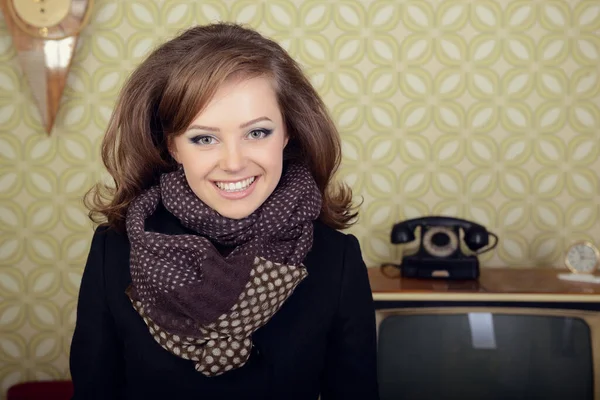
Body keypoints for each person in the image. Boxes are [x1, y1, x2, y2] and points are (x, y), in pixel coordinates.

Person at [70, 22, 379, 400]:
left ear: (288, 132)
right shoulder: (114, 252)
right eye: (204, 138)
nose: (233, 163)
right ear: (172, 147)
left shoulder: (337, 259)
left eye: (257, 133)